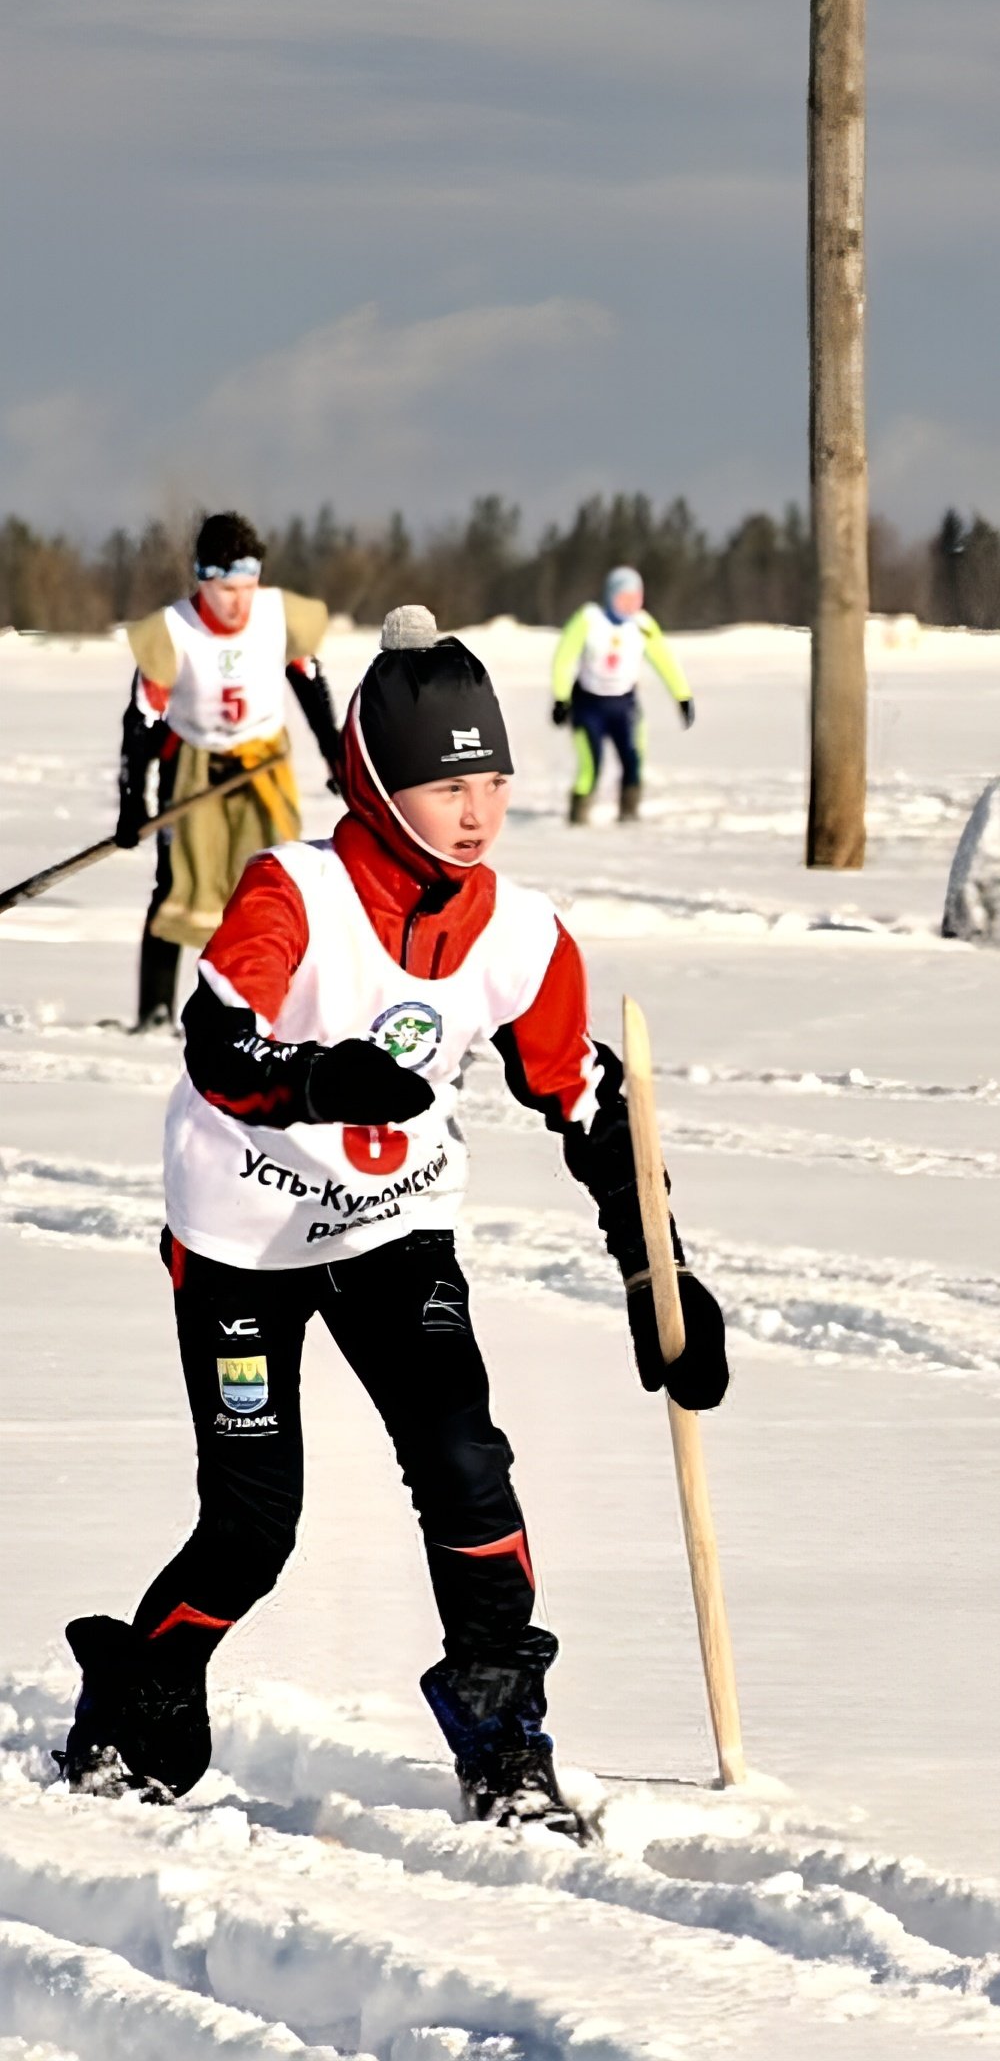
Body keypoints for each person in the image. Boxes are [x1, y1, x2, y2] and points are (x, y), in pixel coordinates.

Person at [57, 606, 729, 1839]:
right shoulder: (294, 890)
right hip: (240, 1242)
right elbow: (218, 1041)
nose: (476, 809)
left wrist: (657, 1273)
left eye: (491, 779)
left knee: (464, 1461)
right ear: (375, 781)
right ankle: (139, 1683)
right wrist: (317, 1079)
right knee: (254, 1523)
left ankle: (502, 1736)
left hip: (392, 1229)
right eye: (444, 782)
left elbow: (589, 1108)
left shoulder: (521, 934)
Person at [117, 512, 344, 1032]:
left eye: (247, 586)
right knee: (179, 884)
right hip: (195, 764)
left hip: (262, 764)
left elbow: (311, 686)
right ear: (203, 581)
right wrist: (134, 798)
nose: (238, 601)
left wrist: (334, 755)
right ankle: (155, 1011)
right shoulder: (172, 630)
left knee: (279, 881)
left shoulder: (278, 616)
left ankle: (288, 1011)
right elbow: (142, 722)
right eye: (225, 590)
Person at [550, 566, 694, 825]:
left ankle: (629, 819)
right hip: (588, 706)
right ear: (610, 596)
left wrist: (682, 696)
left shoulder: (643, 625)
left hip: (624, 707)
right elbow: (564, 658)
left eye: (635, 599)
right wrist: (561, 699)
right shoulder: (588, 619)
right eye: (622, 598)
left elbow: (665, 661)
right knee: (589, 769)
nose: (629, 606)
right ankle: (576, 824)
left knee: (633, 762)